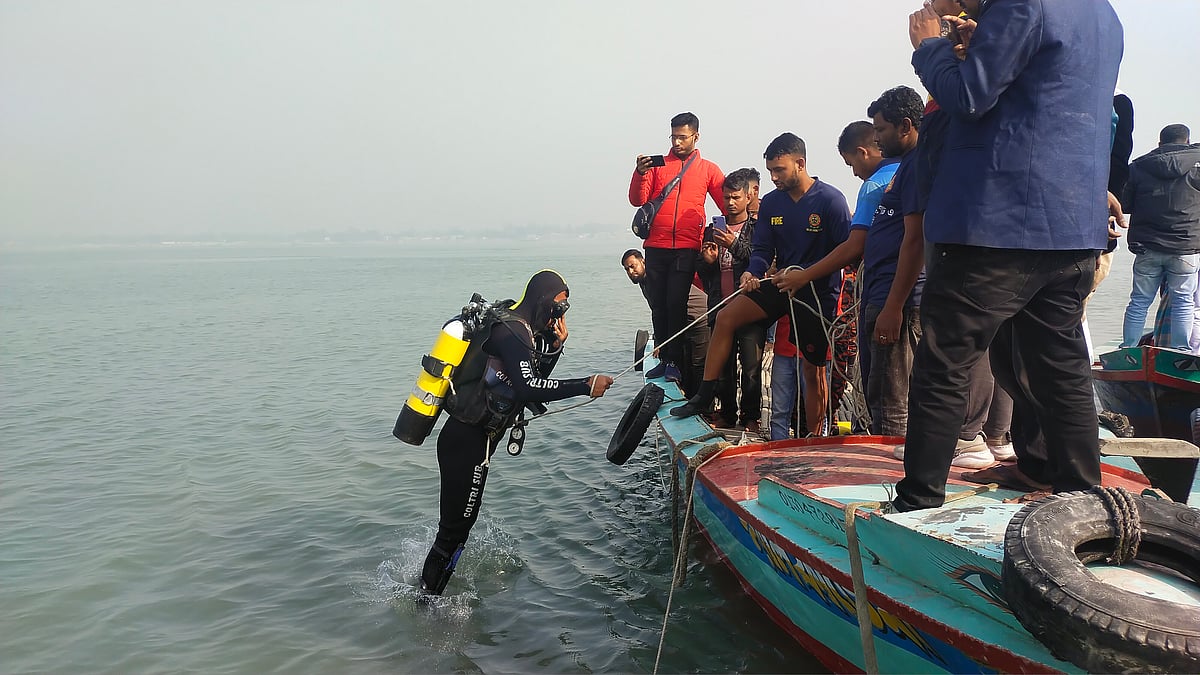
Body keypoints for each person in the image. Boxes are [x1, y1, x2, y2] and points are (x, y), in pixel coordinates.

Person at [893, 0, 1123, 512]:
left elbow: (970, 96)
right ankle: (1082, 498)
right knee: (1061, 369)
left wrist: (929, 47)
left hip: (995, 221)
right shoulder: (1104, 15)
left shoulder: (1022, 4)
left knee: (945, 363)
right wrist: (979, 45)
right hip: (1069, 227)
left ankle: (918, 502)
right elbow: (1046, 93)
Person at [419, 271, 614, 595]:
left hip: (475, 442)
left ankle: (431, 594)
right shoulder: (511, 332)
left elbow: (526, 383)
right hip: (466, 442)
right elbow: (527, 388)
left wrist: (556, 345)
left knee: (459, 530)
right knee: (452, 532)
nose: (559, 316)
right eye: (558, 307)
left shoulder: (520, 331)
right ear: (542, 301)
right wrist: (585, 384)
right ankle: (427, 604)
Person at [671, 133, 851, 435]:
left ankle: (813, 434)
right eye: (770, 171)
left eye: (779, 170)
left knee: (812, 366)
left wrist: (805, 274)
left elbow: (847, 252)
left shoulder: (830, 200)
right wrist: (751, 272)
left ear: (800, 164)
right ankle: (704, 396)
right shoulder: (771, 204)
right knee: (726, 317)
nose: (773, 177)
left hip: (816, 292)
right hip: (781, 284)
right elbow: (763, 250)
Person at [629, 112, 726, 385]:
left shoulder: (709, 169)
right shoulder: (658, 166)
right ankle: (666, 360)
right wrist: (640, 173)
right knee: (658, 305)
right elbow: (638, 200)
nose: (677, 142)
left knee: (676, 304)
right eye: (673, 136)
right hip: (656, 246)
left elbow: (725, 203)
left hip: (687, 247)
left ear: (696, 136)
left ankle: (676, 362)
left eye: (683, 137)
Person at [1119, 124, 1200, 352]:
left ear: (1159, 144)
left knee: (1139, 301)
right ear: (1187, 141)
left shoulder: (1138, 167)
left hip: (1148, 245)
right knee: (1184, 301)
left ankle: (1128, 350)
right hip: (1186, 247)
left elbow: (1124, 205)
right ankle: (1180, 351)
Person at [698, 169, 767, 430]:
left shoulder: (757, 227)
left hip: (749, 307)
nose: (730, 202)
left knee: (751, 367)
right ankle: (727, 413)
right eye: (726, 197)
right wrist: (708, 261)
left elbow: (761, 261)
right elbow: (703, 272)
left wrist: (733, 244)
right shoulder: (711, 229)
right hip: (719, 306)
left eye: (735, 197)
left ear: (747, 197)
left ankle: (750, 417)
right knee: (723, 369)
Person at [621, 248, 710, 396]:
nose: (630, 272)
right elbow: (659, 314)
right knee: (685, 364)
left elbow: (666, 312)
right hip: (684, 321)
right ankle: (688, 396)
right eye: (627, 269)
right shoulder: (645, 283)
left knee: (698, 364)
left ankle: (703, 406)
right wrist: (659, 341)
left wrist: (660, 343)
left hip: (700, 317)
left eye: (632, 266)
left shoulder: (655, 278)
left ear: (643, 261)